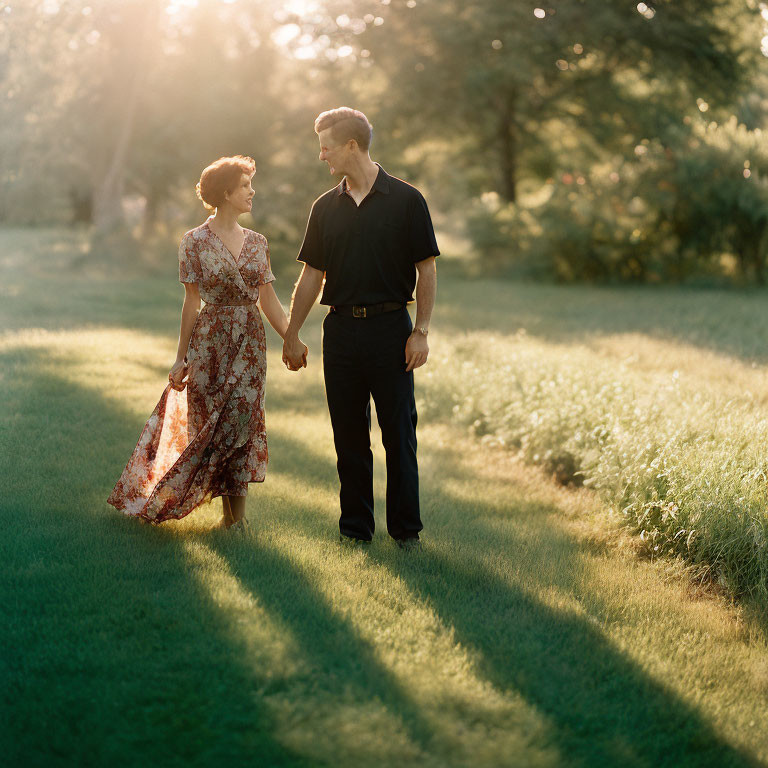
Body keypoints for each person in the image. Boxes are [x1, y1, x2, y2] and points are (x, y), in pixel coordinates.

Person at [108, 155, 307, 529]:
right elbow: (191, 302)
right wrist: (180, 358)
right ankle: (224, 516)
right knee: (208, 427)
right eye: (246, 186)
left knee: (241, 424)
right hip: (209, 343)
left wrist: (292, 338)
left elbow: (268, 300)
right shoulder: (194, 241)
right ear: (227, 192)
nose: (252, 192)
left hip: (249, 342)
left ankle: (237, 521)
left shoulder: (258, 243)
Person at [282, 107, 438, 549]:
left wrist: (420, 330)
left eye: (326, 146)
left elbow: (426, 270)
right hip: (341, 335)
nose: (321, 156)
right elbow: (312, 275)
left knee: (399, 436)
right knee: (349, 438)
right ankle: (355, 531)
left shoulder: (408, 200)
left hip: (392, 332)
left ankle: (406, 532)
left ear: (352, 145)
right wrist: (293, 332)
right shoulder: (324, 207)